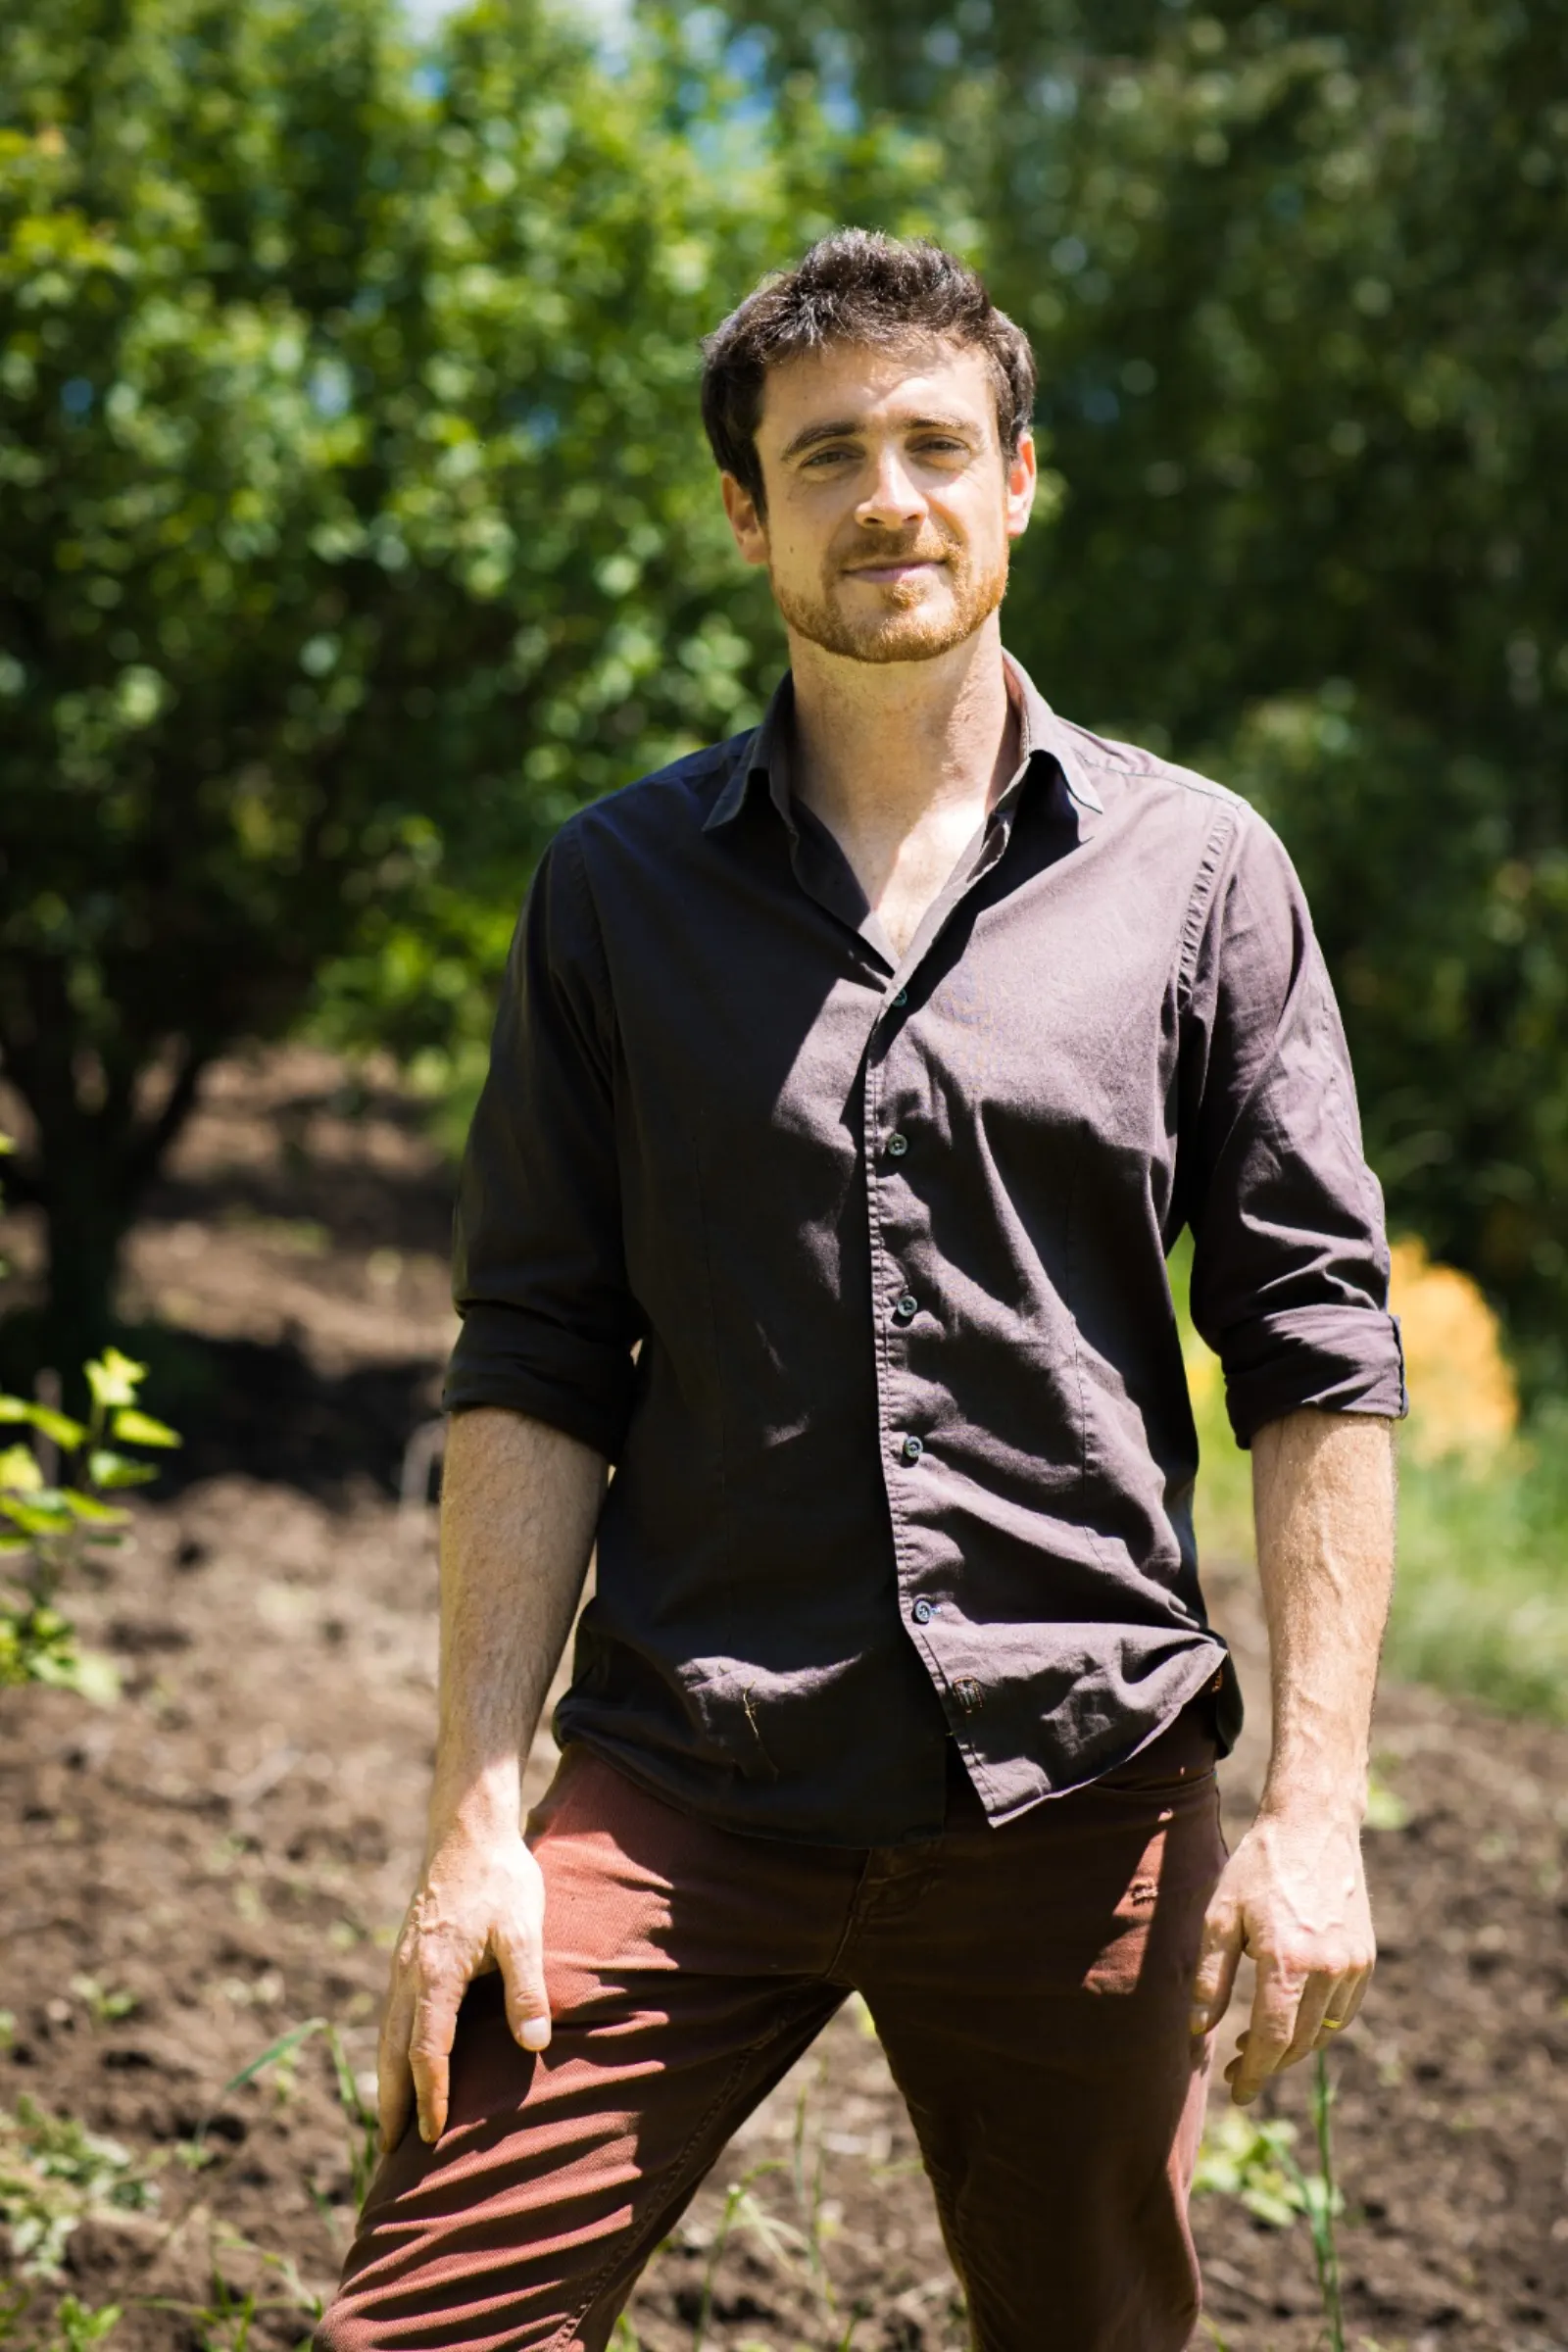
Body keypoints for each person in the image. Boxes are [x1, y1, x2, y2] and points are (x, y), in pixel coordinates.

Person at [315, 231, 1403, 2352]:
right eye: (824, 458)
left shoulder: (1197, 877)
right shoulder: (611, 891)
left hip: (1075, 1797)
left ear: (1016, 482)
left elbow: (1317, 1355)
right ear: (747, 514)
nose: (884, 496)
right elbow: (532, 1357)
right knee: (420, 2328)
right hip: (690, 1767)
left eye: (930, 443)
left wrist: (1311, 1815)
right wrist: (471, 1823)